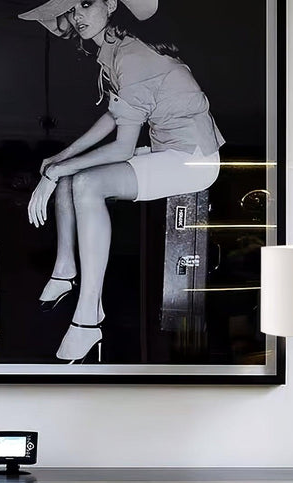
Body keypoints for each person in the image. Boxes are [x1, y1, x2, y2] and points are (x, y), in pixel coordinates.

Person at [19, 0, 224, 362]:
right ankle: (65, 271)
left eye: (86, 4)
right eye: (73, 8)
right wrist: (61, 159)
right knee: (70, 177)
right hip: (168, 150)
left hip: (192, 159)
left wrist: (56, 170)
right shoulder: (115, 50)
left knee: (86, 184)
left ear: (111, 4)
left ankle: (88, 318)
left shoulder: (131, 56)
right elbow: (115, 117)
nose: (78, 16)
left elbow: (123, 146)